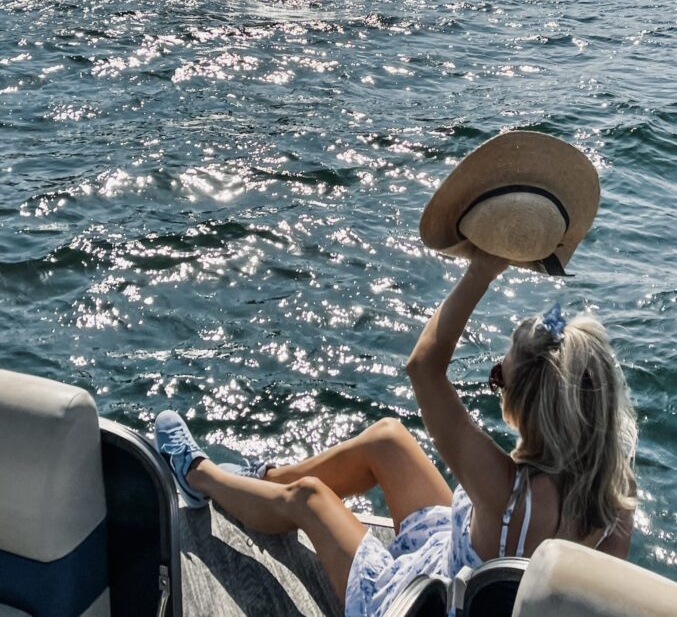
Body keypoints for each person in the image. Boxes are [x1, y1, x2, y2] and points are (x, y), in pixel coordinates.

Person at [155, 247, 638, 617]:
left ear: (533, 405)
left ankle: (199, 476)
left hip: (416, 604)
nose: (497, 387)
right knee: (388, 438)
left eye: (499, 378)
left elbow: (424, 367)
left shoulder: (504, 490)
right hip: (457, 576)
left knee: (309, 498)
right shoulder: (613, 497)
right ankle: (265, 477)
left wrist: (483, 268)